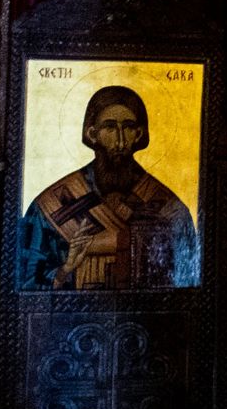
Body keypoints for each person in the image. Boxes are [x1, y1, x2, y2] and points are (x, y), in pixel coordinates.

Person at [19, 86, 198, 289]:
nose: (120, 141)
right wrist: (66, 269)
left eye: (129, 127)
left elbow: (187, 283)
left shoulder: (170, 209)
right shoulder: (51, 206)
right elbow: (27, 285)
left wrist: (116, 242)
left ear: (139, 134)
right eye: (110, 128)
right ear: (92, 133)